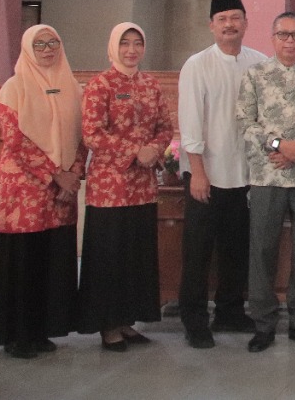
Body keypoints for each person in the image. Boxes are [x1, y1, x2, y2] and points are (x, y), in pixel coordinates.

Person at [0, 25, 85, 359]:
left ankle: (41, 329)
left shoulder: (72, 87)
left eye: (53, 42)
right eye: (39, 44)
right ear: (28, 48)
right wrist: (56, 175)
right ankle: (16, 334)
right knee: (23, 258)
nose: (47, 49)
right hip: (23, 188)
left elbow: (82, 138)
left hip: (61, 191)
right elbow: (15, 141)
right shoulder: (14, 88)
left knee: (50, 257)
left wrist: (73, 175)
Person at [236, 12, 295, 353]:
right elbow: (245, 122)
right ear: (272, 38)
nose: (290, 41)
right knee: (262, 251)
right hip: (267, 176)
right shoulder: (255, 74)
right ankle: (263, 325)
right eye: (283, 35)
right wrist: (278, 146)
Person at [77, 22, 173, 351]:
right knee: (110, 255)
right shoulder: (100, 84)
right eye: (125, 43)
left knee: (136, 255)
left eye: (137, 43)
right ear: (113, 47)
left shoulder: (150, 84)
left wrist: (154, 149)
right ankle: (108, 324)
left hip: (143, 186)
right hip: (110, 188)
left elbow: (165, 126)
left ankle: (128, 320)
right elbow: (92, 133)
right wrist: (135, 151)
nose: (131, 50)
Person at [177, 0, 266, 348]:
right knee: (198, 252)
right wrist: (198, 172)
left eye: (235, 18)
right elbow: (190, 123)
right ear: (212, 25)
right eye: (222, 19)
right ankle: (194, 320)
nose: (229, 24)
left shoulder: (258, 63)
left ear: (245, 23)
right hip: (205, 175)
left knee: (236, 250)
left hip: (244, 175)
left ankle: (230, 311)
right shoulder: (197, 65)